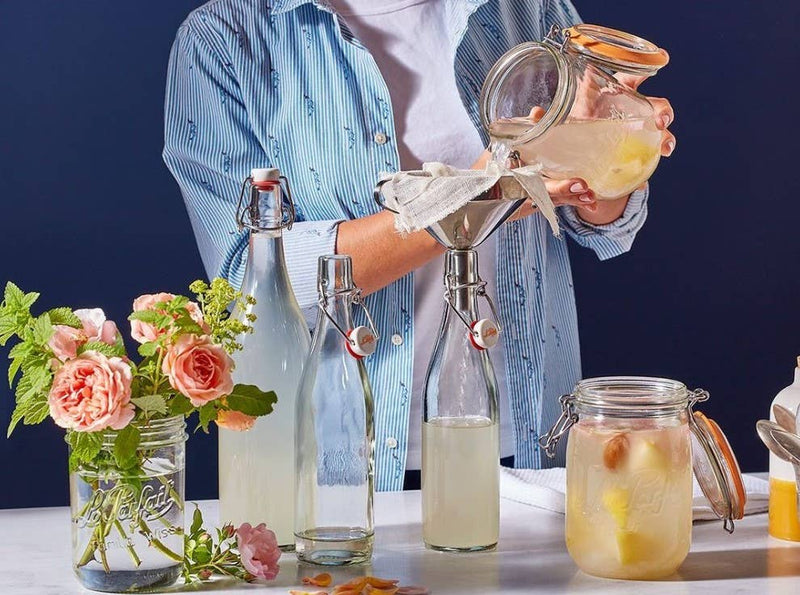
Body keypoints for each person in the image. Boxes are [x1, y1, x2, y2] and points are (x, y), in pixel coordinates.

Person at [163, 0, 675, 492]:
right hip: (344, 459)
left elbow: (602, 221)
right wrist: (474, 200)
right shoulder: (225, 39)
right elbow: (247, 280)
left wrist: (616, 150)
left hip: (529, 440)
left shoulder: (524, 7)